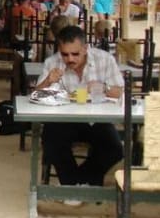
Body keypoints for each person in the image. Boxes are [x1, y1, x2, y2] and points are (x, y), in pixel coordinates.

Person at [34, 25, 124, 188]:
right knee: (51, 141)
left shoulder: (104, 60)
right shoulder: (52, 62)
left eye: (75, 54)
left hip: (97, 119)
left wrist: (104, 88)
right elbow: (35, 96)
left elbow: (121, 92)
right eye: (65, 54)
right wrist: (47, 81)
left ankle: (75, 185)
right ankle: (79, 186)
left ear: (85, 48)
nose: (70, 59)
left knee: (115, 149)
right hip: (63, 121)